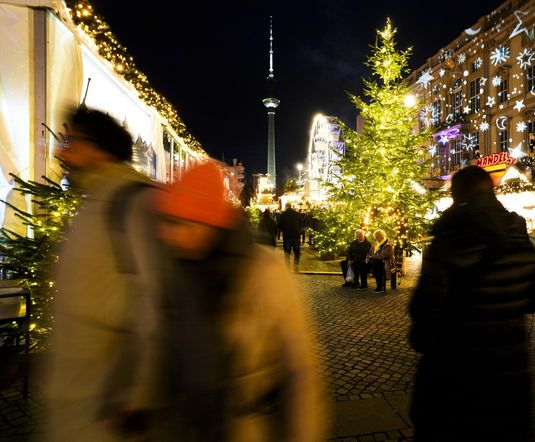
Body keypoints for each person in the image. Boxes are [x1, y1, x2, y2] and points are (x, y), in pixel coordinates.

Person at [152, 160, 327, 440]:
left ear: (206, 223)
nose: (168, 234)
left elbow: (300, 371)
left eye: (179, 223)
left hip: (245, 428)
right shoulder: (174, 271)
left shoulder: (264, 273)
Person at [45, 106, 161, 440]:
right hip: (78, 402)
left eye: (71, 141)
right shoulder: (95, 203)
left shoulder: (131, 203)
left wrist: (140, 397)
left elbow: (157, 305)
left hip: (109, 413)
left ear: (98, 149)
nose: (61, 152)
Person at [408, 166, 535, 442]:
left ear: (456, 194)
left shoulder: (450, 239)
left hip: (455, 373)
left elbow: (424, 309)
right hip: (510, 374)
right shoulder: (518, 238)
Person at [366, 229, 395, 294]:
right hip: (376, 261)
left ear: (382, 236)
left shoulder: (388, 244)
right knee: (362, 263)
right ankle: (363, 284)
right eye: (375, 237)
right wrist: (368, 257)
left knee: (376, 265)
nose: (376, 238)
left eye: (377, 236)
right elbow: (370, 252)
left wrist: (372, 256)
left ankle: (380, 287)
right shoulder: (376, 244)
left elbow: (384, 255)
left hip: (386, 262)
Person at [278, 203, 303, 271]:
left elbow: (279, 225)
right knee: (297, 253)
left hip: (287, 236)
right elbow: (301, 225)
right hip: (296, 236)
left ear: (286, 207)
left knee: (287, 253)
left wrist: (283, 229)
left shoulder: (283, 214)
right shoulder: (297, 214)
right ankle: (296, 267)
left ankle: (287, 268)